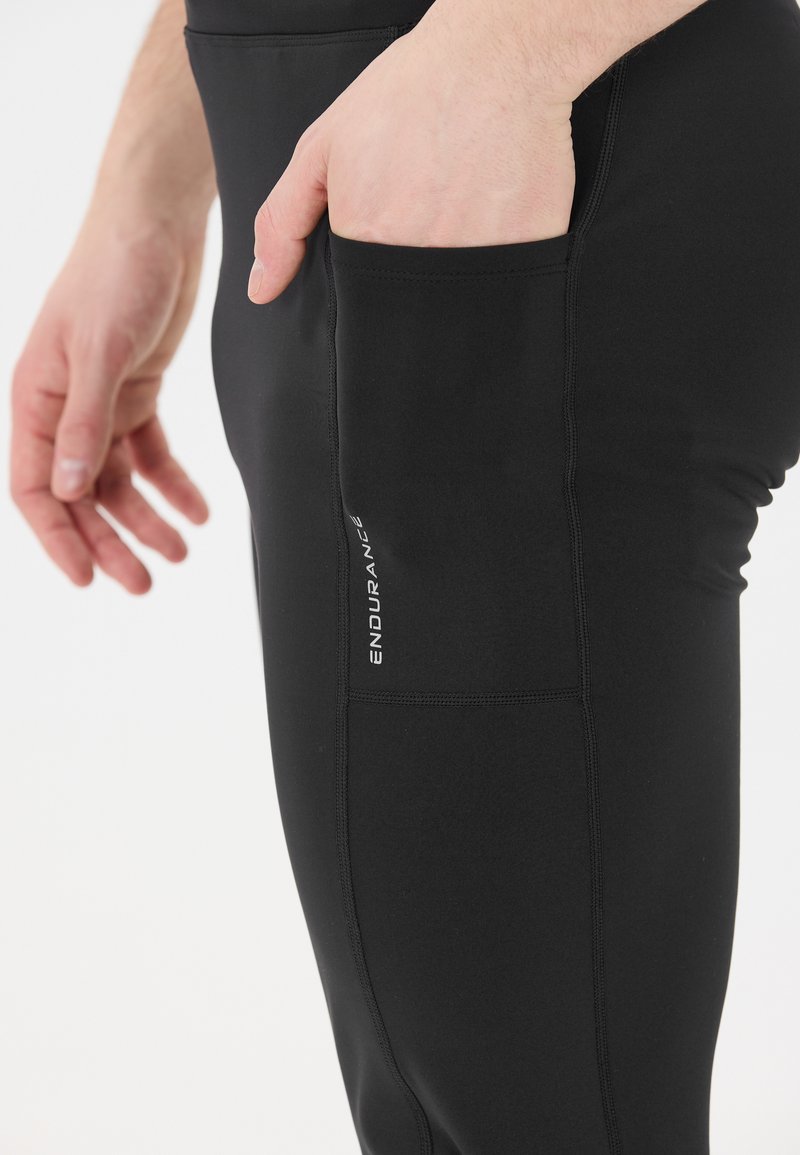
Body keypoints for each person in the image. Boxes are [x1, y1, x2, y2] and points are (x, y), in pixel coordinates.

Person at [9, 0, 800, 1150]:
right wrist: (147, 192)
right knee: (444, 1094)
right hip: (381, 161)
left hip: (517, 169)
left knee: (515, 1105)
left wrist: (502, 54)